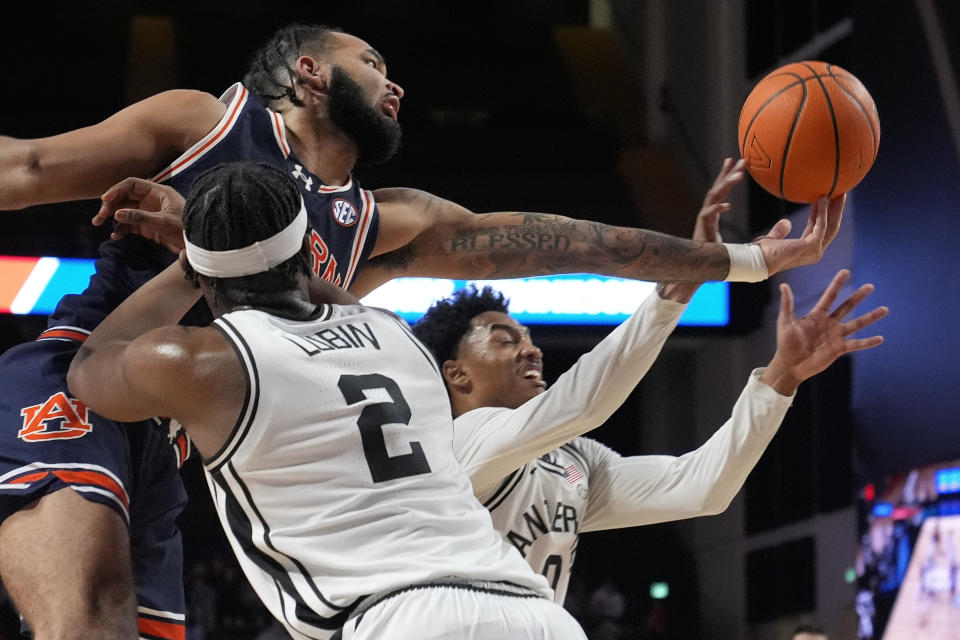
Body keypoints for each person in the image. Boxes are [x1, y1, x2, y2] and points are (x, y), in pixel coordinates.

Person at [0, 23, 844, 638]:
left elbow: (572, 242)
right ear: (307, 73)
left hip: (183, 432)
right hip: (82, 374)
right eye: (371, 61)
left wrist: (743, 261)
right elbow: (29, 168)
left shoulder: (385, 221)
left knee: (122, 625)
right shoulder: (209, 123)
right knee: (84, 613)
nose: (393, 80)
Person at [66, 162, 588, 640]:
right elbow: (316, 285)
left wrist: (190, 261)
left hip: (401, 618)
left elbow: (88, 366)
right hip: (539, 611)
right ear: (307, 249)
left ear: (203, 269)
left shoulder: (197, 361)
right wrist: (226, 251)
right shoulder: (395, 334)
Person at [411, 168, 886, 603]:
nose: (531, 350)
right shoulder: (453, 446)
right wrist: (687, 275)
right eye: (503, 340)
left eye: (530, 338)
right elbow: (582, 403)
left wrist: (781, 377)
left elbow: (702, 488)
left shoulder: (573, 462)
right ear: (456, 374)